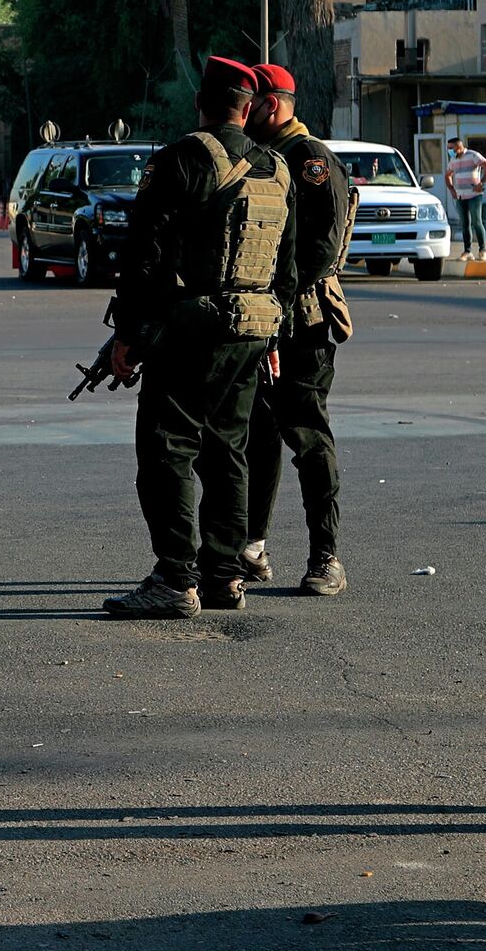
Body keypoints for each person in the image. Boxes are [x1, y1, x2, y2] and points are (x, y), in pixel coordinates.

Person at [103, 57, 298, 619]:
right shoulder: (275, 167)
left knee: (167, 449)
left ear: (201, 102)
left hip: (193, 330)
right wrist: (273, 337)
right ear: (247, 106)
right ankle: (223, 576)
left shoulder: (184, 159)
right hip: (253, 330)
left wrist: (128, 335)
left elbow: (146, 255)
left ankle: (175, 577)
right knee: (228, 452)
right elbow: (284, 267)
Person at [239, 64, 350, 597]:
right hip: (261, 324)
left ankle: (326, 556)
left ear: (274, 105)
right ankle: (251, 547)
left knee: (307, 437)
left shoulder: (311, 163)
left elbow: (319, 252)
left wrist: (277, 312)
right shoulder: (262, 158)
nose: (246, 112)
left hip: (301, 323)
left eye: (253, 103)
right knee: (256, 437)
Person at [446, 136, 486, 261]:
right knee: (464, 224)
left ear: (458, 146)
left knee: (476, 222)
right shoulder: (453, 160)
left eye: (451, 148)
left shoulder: (473, 155)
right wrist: (451, 189)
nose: (449, 150)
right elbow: (448, 175)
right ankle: (467, 251)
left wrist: (481, 183)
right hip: (460, 196)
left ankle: (482, 250)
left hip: (474, 195)